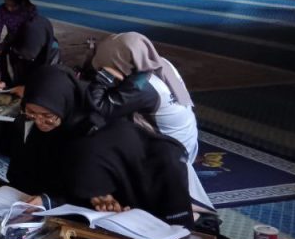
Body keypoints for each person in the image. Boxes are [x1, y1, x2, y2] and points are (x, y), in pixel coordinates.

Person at [7, 66, 195, 227]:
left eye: (48, 115)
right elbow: (26, 177)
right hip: (78, 212)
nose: (39, 122)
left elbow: (109, 186)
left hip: (135, 212)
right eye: (31, 113)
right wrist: (49, 199)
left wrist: (96, 196)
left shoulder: (99, 132)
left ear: (64, 103)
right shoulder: (44, 133)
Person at [86, 31, 210, 208]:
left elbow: (100, 108)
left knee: (105, 132)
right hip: (187, 144)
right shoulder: (159, 63)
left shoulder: (142, 86)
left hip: (170, 157)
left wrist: (104, 77)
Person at [0, 10, 60, 94]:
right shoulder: (13, 44)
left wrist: (27, 89)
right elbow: (3, 70)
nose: (23, 58)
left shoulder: (52, 50)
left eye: (30, 57)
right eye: (21, 55)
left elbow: (50, 84)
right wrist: (0, 81)